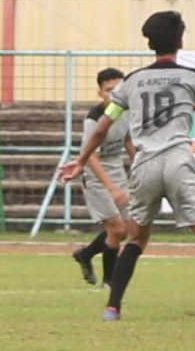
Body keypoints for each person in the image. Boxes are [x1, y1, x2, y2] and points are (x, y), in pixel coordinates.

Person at [58, 10, 195, 323]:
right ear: (180, 42)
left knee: (136, 240)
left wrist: (81, 159)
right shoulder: (194, 76)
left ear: (149, 43)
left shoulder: (132, 81)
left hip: (145, 164)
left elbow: (102, 127)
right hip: (178, 161)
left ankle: (112, 308)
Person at [71, 68, 135, 289]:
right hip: (96, 176)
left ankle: (86, 254)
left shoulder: (125, 111)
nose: (114, 94)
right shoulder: (94, 119)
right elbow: (91, 157)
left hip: (117, 170)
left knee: (125, 229)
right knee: (117, 229)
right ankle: (109, 281)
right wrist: (111, 188)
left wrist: (138, 164)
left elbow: (127, 139)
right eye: (109, 90)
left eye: (118, 89)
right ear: (100, 93)